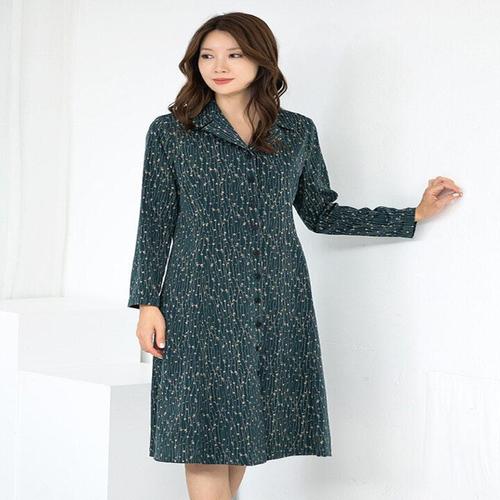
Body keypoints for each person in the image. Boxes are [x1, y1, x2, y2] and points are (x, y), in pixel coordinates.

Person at [127, 12, 463, 500]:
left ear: (260, 60)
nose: (219, 66)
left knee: (244, 432)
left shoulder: (296, 132)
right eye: (208, 56)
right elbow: (155, 222)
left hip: (274, 300)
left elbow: (320, 213)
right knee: (202, 437)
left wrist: (412, 214)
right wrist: (147, 303)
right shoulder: (171, 132)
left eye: (234, 54)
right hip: (197, 303)